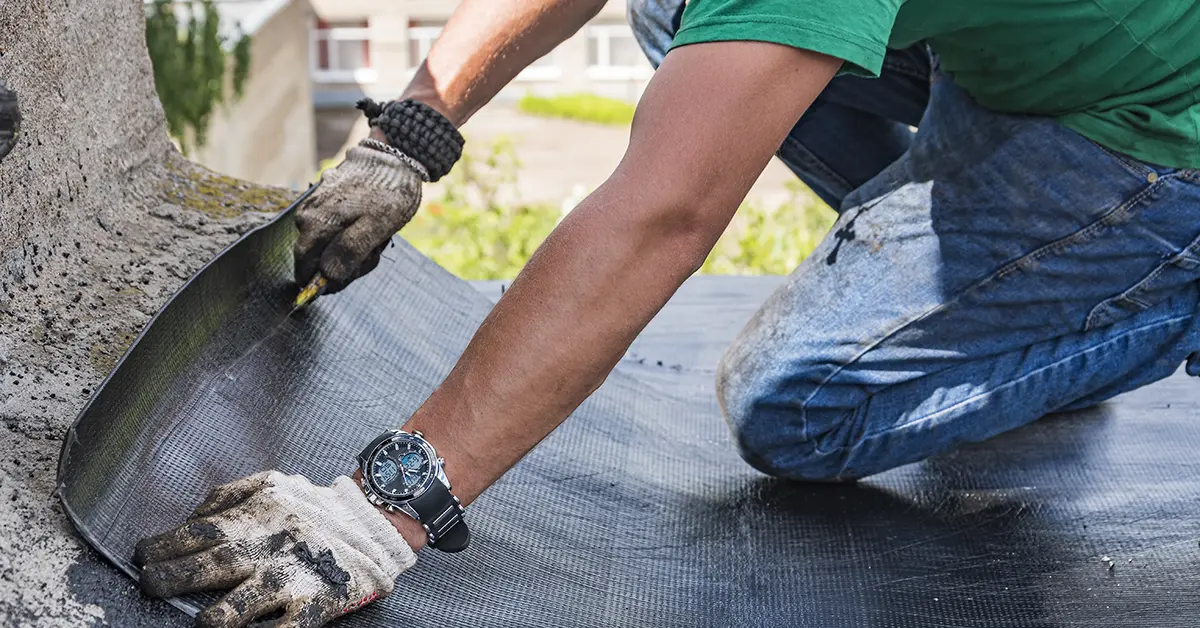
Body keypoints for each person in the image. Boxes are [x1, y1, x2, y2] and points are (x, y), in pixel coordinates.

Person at [132, 0, 1200, 625]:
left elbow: (666, 215)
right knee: (674, 10)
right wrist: (410, 134)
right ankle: (1001, 269)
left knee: (800, 405)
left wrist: (387, 503)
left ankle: (1131, 283)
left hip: (1157, 129)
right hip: (1030, 57)